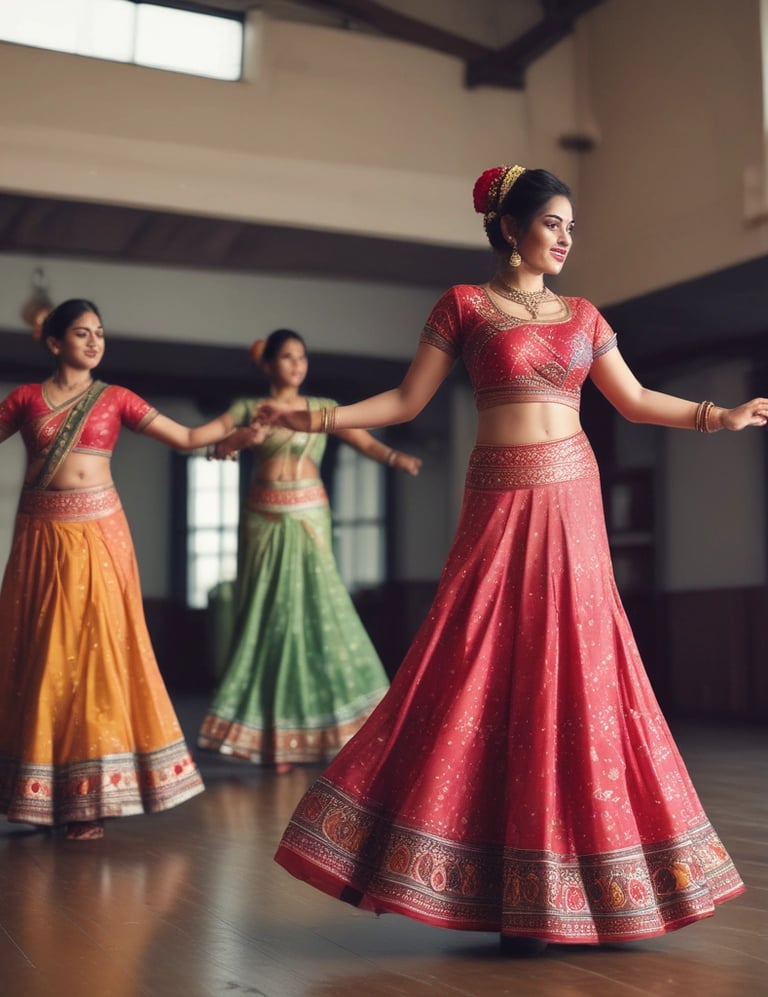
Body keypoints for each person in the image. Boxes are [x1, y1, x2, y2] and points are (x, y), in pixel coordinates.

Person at [259, 166, 768, 953]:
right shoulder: (463, 305)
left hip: (572, 500)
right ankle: (487, 876)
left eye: (572, 226)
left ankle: (578, 880)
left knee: (581, 665)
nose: (566, 238)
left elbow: (631, 399)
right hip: (497, 502)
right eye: (553, 222)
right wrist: (318, 414)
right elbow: (405, 401)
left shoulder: (585, 314)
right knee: (472, 659)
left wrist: (719, 415)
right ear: (508, 228)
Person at [0, 298, 259, 841]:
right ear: (54, 343)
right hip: (42, 538)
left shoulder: (114, 398)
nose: (94, 342)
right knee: (44, 653)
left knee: (95, 656)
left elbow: (187, 438)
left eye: (99, 333)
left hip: (100, 536)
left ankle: (90, 798)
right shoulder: (25, 399)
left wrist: (233, 427)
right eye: (81, 333)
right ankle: (40, 791)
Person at [197, 329, 422, 774]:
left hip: (309, 516)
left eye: (302, 357)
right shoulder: (248, 408)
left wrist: (397, 460)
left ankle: (344, 731)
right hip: (264, 517)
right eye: (287, 357)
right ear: (268, 364)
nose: (297, 365)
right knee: (268, 614)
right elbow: (216, 448)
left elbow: (364, 440)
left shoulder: (323, 408)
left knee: (321, 610)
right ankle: (273, 739)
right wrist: (249, 435)